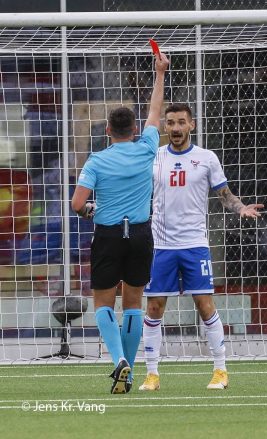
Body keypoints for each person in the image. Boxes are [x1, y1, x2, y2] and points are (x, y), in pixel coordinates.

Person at [138, 103, 263, 391]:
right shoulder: (154, 158)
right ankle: (152, 374)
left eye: (181, 122)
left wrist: (240, 208)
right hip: (161, 246)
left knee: (205, 305)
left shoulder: (206, 158)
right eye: (170, 123)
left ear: (191, 125)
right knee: (154, 307)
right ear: (165, 127)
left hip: (195, 245)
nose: (176, 128)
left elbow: (225, 195)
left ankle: (220, 370)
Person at [71, 51, 169, 393]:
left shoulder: (97, 160)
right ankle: (126, 375)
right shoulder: (148, 148)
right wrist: (159, 74)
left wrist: (91, 211)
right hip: (141, 234)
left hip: (110, 235)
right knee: (133, 303)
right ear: (134, 130)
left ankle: (118, 361)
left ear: (109, 129)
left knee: (102, 303)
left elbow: (77, 204)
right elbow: (155, 111)